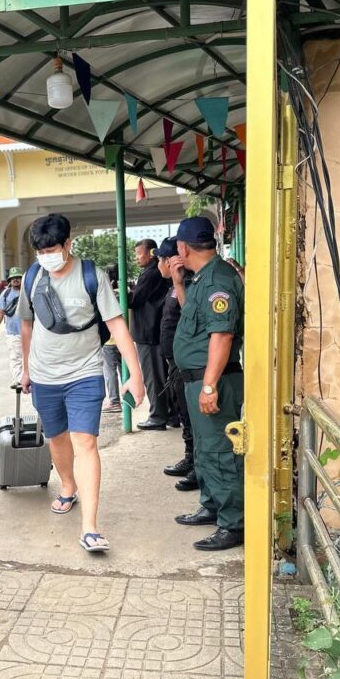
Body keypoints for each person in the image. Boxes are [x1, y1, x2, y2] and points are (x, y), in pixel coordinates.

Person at [18, 213, 145, 553]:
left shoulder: (92, 276)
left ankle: (90, 527)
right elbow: (27, 325)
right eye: (40, 252)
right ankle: (68, 486)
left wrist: (135, 374)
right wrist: (26, 369)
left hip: (85, 373)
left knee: (85, 441)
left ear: (68, 244)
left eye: (52, 250)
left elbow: (116, 325)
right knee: (57, 437)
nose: (46, 257)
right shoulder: (32, 277)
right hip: (44, 375)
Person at [169, 216, 245, 551]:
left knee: (220, 451)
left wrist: (210, 386)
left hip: (214, 380)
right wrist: (179, 283)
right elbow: (198, 321)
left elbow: (222, 335)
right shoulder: (201, 279)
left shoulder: (217, 280)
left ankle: (233, 523)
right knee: (205, 448)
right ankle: (213, 505)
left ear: (183, 248)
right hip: (198, 380)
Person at [155, 236, 198, 492]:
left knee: (190, 416)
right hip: (175, 361)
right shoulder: (172, 286)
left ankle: (196, 466)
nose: (159, 265)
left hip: (185, 364)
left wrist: (179, 281)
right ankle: (190, 458)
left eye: (161, 259)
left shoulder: (186, 284)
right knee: (183, 412)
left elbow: (190, 315)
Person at [129, 239, 172, 430]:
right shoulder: (154, 272)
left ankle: (158, 416)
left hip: (149, 332)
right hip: (154, 331)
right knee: (161, 375)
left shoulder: (151, 273)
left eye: (139, 253)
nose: (137, 258)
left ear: (151, 253)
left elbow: (134, 299)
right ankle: (170, 414)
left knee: (153, 376)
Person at [0, 267, 25, 387]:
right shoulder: (5, 294)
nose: (16, 280)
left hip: (30, 332)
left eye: (18, 278)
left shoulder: (28, 292)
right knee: (15, 357)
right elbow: (0, 312)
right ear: (9, 280)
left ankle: (31, 379)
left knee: (31, 357)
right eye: (13, 278)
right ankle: (18, 380)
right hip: (13, 333)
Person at [101, 264, 122, 413]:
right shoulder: (126, 292)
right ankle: (129, 398)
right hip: (123, 339)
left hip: (109, 340)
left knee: (110, 372)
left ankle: (114, 401)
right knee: (124, 370)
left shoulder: (106, 295)